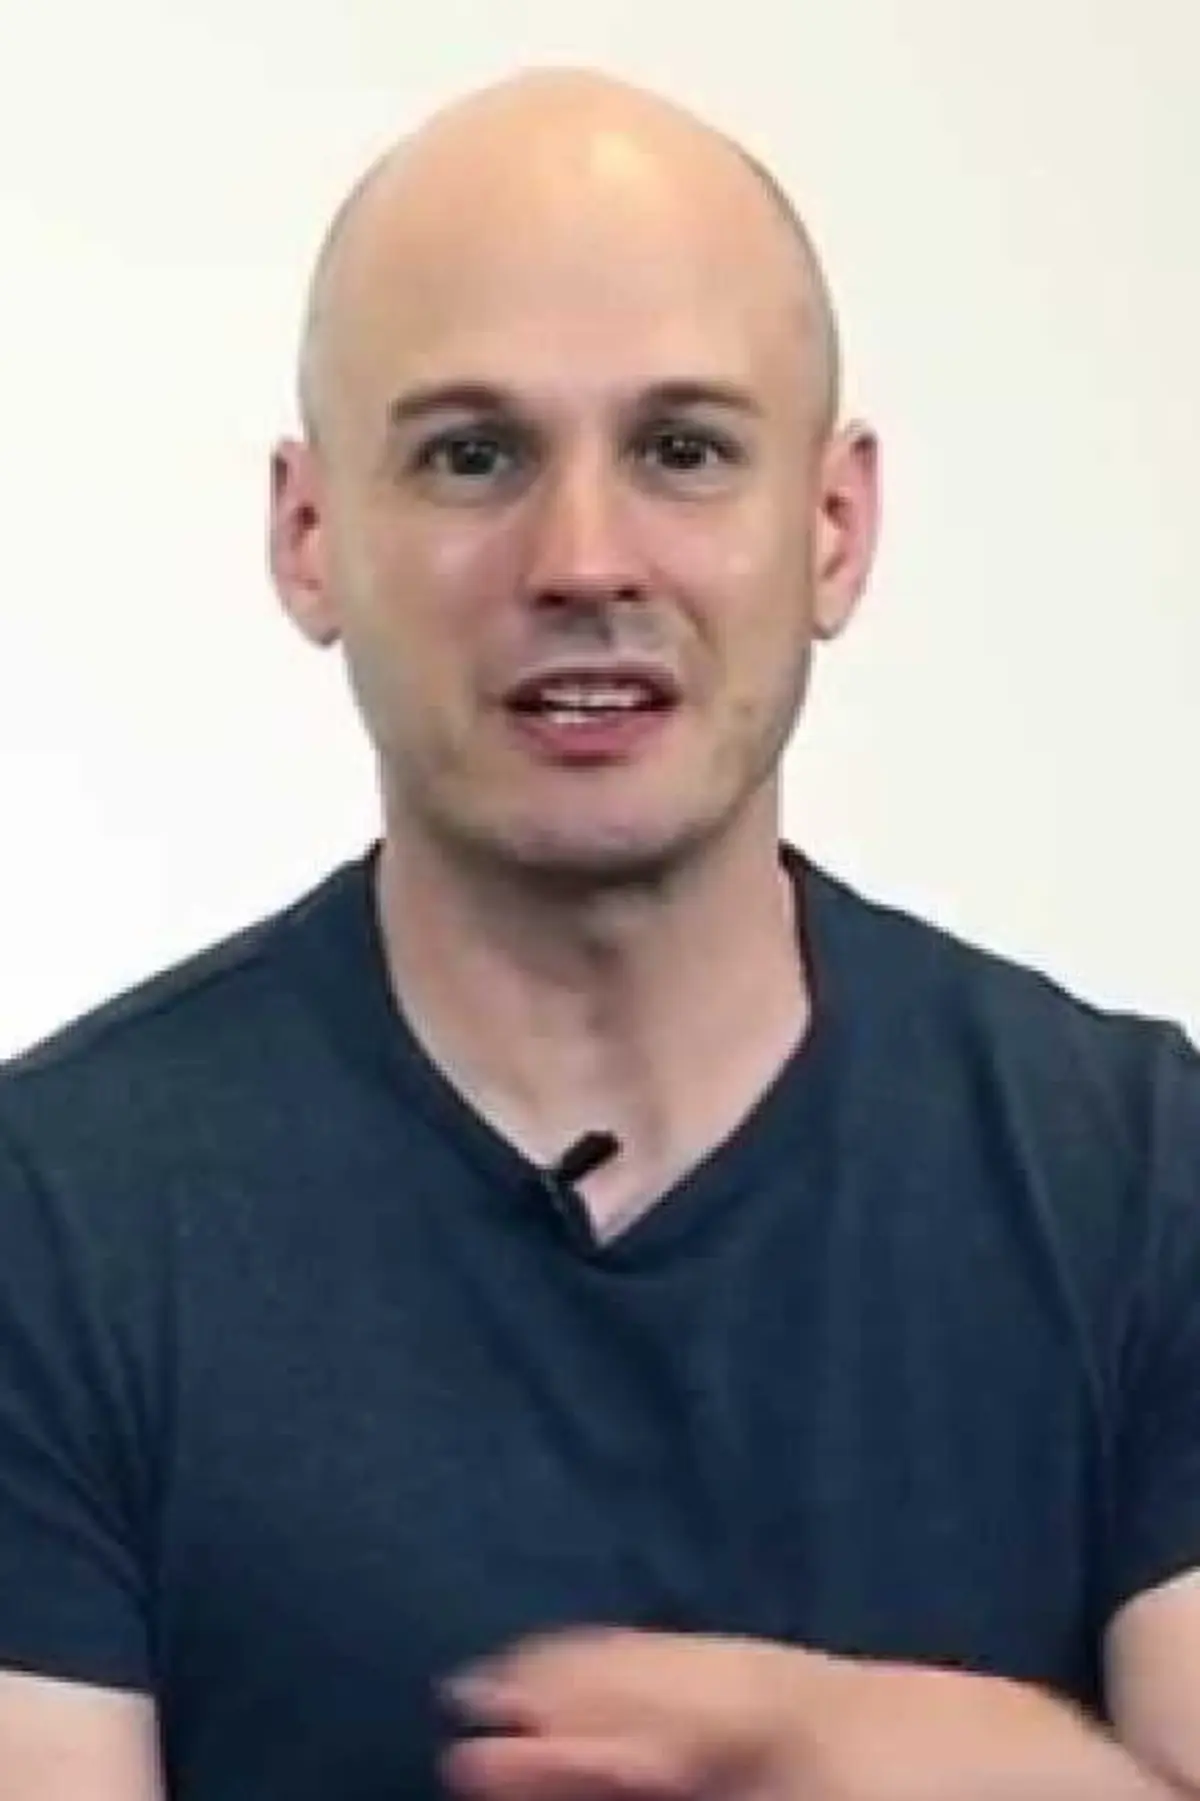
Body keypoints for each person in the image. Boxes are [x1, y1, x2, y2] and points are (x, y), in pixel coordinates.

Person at [0, 64, 1197, 1801]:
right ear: (311, 537)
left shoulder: (1144, 1185)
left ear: (834, 528)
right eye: (473, 456)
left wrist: (960, 1765)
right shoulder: (48, 1229)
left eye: (682, 451)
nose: (582, 558)